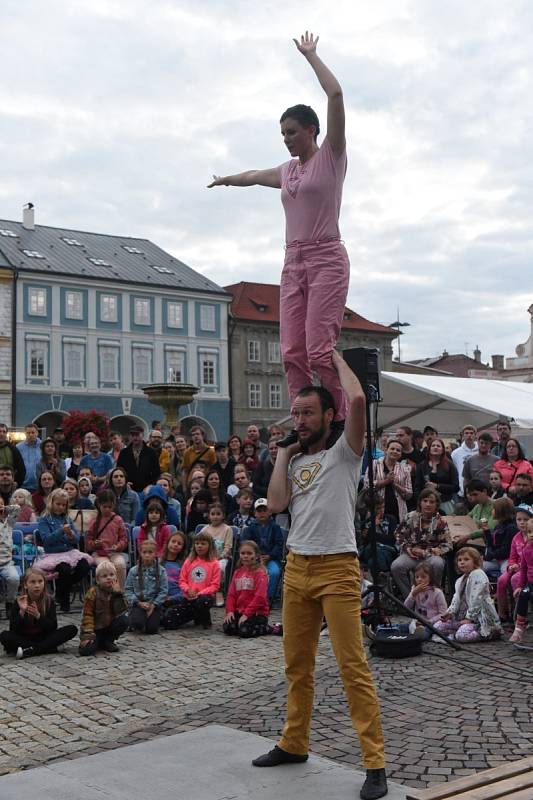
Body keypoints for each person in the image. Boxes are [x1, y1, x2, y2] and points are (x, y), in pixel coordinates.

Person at [253, 351, 387, 800]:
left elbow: (356, 401)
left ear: (329, 416)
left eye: (308, 412)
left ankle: (374, 763)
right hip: (298, 568)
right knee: (297, 665)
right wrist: (283, 453)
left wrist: (330, 354)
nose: (301, 419)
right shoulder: (294, 461)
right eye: (296, 413)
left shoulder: (346, 453)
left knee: (353, 666)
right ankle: (294, 743)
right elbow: (274, 504)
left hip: (337, 567)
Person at [209, 34, 351, 433]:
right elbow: (255, 176)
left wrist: (312, 56)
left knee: (320, 350)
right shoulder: (288, 171)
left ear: (311, 130)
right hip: (293, 262)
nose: (286, 138)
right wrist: (226, 180)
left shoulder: (332, 156)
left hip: (326, 257)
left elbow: (336, 94)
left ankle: (337, 418)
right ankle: (303, 418)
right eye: (282, 133)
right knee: (292, 351)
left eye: (291, 131)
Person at [0, 567, 77, 659]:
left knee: (72, 629)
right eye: (33, 582)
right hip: (24, 637)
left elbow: (52, 627)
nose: (37, 585)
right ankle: (49, 648)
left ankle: (31, 650)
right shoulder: (19, 602)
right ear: (25, 585)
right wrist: (22, 612)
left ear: (44, 583)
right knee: (5, 636)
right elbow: (13, 629)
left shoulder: (48, 601)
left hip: (43, 636)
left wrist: (38, 616)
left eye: (40, 581)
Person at [36, 488, 92, 613]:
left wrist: (71, 536)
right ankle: (64, 601)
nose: (61, 507)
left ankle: (61, 592)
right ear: (51, 503)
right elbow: (46, 540)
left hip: (69, 552)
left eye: (63, 505)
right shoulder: (44, 519)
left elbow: (77, 538)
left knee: (84, 565)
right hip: (53, 553)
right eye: (58, 504)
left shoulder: (67, 518)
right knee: (64, 569)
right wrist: (61, 531)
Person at [391, 488, 452, 599]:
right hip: (411, 554)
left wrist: (427, 552)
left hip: (430, 555)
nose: (428, 504)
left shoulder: (440, 522)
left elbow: (448, 544)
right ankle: (410, 598)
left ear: (437, 504)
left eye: (431, 502)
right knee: (396, 566)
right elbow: (398, 534)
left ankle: (434, 597)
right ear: (420, 502)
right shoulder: (410, 516)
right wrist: (408, 549)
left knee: (438, 564)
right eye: (425, 501)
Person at [432, 547, 501, 643]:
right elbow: (456, 599)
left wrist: (469, 618)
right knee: (437, 627)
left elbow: (477, 599)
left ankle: (490, 632)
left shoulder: (478, 574)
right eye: (459, 560)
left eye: (466, 559)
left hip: (479, 620)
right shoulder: (460, 580)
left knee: (462, 635)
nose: (462, 562)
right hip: (462, 619)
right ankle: (456, 633)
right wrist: (450, 613)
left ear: (475, 561)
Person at [78, 560, 129, 655]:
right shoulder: (93, 592)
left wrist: (118, 594)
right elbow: (87, 615)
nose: (109, 578)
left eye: (111, 575)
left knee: (124, 620)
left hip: (109, 626)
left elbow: (122, 610)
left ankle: (108, 641)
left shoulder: (116, 591)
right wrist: (88, 635)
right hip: (95, 628)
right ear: (98, 580)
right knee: (85, 651)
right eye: (104, 576)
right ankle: (98, 642)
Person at [223, 540, 270, 638]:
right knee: (228, 628)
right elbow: (231, 594)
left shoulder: (260, 574)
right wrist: (230, 611)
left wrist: (247, 614)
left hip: (257, 613)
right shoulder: (237, 572)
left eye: (249, 553)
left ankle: (269, 628)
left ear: (256, 555)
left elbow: (260, 597)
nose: (245, 556)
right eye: (243, 553)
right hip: (240, 611)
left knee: (244, 631)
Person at [85, 490, 128, 588]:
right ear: (99, 505)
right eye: (104, 507)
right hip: (99, 554)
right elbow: (88, 542)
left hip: (115, 553)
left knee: (120, 565)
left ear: (114, 505)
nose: (107, 509)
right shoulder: (94, 521)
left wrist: (117, 546)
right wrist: (95, 544)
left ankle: (120, 592)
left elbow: (124, 539)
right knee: (107, 567)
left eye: (110, 507)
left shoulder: (118, 520)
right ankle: (106, 592)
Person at [178, 531, 221, 629]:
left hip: (204, 597)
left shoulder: (214, 563)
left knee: (202, 601)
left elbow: (215, 585)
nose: (199, 546)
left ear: (209, 546)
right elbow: (182, 580)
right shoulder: (189, 561)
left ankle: (204, 618)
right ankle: (194, 615)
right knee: (169, 621)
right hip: (189, 596)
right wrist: (188, 590)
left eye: (203, 543)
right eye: (197, 543)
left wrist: (200, 593)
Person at [125, 538, 168, 635]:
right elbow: (128, 590)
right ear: (140, 553)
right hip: (138, 603)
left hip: (154, 604)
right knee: (137, 624)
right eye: (144, 552)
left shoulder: (161, 571)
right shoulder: (133, 571)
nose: (147, 555)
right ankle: (133, 618)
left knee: (152, 630)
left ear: (155, 553)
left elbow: (163, 591)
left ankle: (153, 619)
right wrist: (139, 603)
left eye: (150, 552)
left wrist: (153, 605)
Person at [364, 438, 412, 525]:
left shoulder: (405, 468)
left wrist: (395, 485)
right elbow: (367, 485)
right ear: (386, 450)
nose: (395, 451)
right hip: (377, 510)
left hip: (398, 511)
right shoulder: (374, 464)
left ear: (401, 454)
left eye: (398, 450)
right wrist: (386, 481)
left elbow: (409, 494)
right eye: (392, 449)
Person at [496, 503, 531, 622]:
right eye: (519, 519)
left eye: (525, 519)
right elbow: (512, 557)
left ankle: (520, 614)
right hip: (516, 567)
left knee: (515, 579)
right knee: (502, 580)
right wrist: (511, 565)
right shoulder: (516, 537)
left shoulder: (531, 538)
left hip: (528, 569)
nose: (522, 522)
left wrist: (519, 566)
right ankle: (503, 614)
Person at [243, 499, 283, 600]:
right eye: (259, 511)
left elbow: (279, 544)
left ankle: (268, 597)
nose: (262, 513)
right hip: (254, 559)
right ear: (255, 513)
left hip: (271, 558)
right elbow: (246, 544)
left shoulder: (275, 527)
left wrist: (270, 556)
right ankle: (250, 596)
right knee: (249, 571)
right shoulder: (250, 528)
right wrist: (256, 556)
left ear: (270, 512)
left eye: (264, 510)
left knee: (274, 572)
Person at [198, 502, 233, 606]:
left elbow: (228, 547)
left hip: (222, 558)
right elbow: (198, 545)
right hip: (206, 557)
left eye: (218, 514)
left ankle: (218, 590)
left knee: (220, 567)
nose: (215, 516)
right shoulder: (205, 530)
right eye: (213, 514)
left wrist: (219, 557)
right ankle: (204, 590)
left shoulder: (227, 529)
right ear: (209, 515)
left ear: (223, 515)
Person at [404, 562, 447, 639]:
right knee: (402, 627)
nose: (419, 579)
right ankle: (383, 630)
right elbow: (406, 607)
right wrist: (413, 594)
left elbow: (443, 613)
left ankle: (417, 636)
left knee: (426, 632)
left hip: (431, 623)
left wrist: (428, 622)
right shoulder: (415, 589)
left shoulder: (437, 592)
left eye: (423, 577)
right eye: (417, 577)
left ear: (430, 578)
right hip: (418, 622)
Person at [414, 438, 459, 510]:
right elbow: (417, 488)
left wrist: (438, 486)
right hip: (426, 504)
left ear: (443, 450)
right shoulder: (422, 466)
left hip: (445, 503)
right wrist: (420, 502)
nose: (435, 447)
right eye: (433, 445)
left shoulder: (449, 465)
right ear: (429, 449)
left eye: (438, 446)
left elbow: (456, 487)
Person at [358, 496, 398, 574]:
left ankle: (381, 577)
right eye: (378, 508)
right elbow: (365, 543)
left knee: (372, 562)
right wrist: (373, 526)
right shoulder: (366, 523)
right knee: (373, 547)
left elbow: (391, 540)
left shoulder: (391, 519)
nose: (381, 511)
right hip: (369, 550)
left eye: (383, 507)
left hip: (388, 550)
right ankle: (385, 574)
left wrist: (372, 535)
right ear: (370, 510)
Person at [117, 425, 161, 493]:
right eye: (132, 435)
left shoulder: (151, 452)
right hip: (128, 489)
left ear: (142, 435)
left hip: (146, 489)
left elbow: (157, 472)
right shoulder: (124, 453)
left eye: (137, 435)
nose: (135, 437)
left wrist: (150, 485)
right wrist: (125, 483)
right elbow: (119, 470)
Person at [481, 497, 516, 583]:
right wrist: (487, 532)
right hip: (497, 559)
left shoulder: (511, 528)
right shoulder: (498, 526)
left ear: (501, 511)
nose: (492, 511)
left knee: (506, 571)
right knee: (478, 567)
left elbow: (505, 550)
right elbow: (492, 545)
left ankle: (505, 593)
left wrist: (488, 556)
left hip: (506, 559)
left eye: (494, 509)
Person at [160, 531, 190, 629]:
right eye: (173, 541)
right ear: (168, 542)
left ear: (183, 547)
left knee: (168, 621)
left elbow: (185, 587)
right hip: (159, 599)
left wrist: (172, 598)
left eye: (179, 543)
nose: (175, 545)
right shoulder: (159, 562)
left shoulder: (184, 565)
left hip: (176, 600)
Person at [510, 517, 533, 642]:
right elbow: (523, 570)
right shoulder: (526, 550)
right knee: (523, 595)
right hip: (530, 583)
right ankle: (519, 627)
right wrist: (519, 585)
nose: (531, 535)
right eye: (529, 532)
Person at [0, 497, 21, 617]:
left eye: (1, 504)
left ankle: (10, 603)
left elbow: (17, 509)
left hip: (6, 562)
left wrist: (5, 509)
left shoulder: (9, 522)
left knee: (14, 578)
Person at [180, 426, 216, 491]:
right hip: (191, 485)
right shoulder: (187, 452)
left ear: (202, 436)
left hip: (205, 484)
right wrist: (184, 488)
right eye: (193, 435)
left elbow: (214, 469)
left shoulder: (210, 452)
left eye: (197, 434)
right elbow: (185, 471)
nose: (195, 436)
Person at [451, 425, 478, 497]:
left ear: (475, 435)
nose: (469, 435)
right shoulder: (455, 453)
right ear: (462, 436)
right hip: (462, 492)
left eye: (471, 433)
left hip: (478, 491)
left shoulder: (480, 451)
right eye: (466, 433)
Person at [17, 423, 41, 492]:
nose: (30, 435)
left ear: (37, 433)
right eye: (28, 433)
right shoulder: (18, 447)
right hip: (22, 485)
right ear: (25, 434)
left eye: (33, 432)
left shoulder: (43, 446)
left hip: (39, 486)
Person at [0, 423, 26, 488]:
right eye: (0, 431)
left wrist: (17, 482)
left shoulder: (13, 449)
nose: (1, 434)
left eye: (4, 432)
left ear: (6, 434)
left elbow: (21, 469)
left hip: (9, 485)